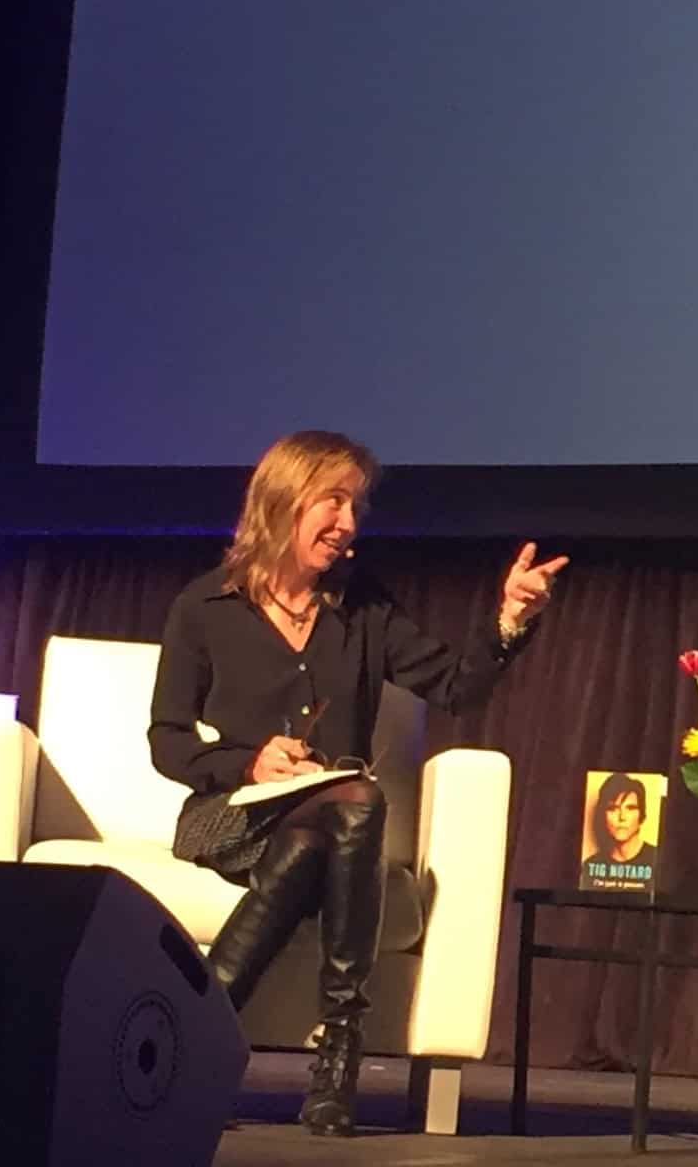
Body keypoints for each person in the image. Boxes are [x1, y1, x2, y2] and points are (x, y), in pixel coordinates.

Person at [148, 430, 567, 1137]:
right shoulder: (204, 607)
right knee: (358, 801)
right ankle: (338, 1057)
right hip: (236, 813)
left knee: (340, 811)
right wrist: (248, 764)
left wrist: (509, 621)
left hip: (330, 825)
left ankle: (202, 1039)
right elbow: (168, 741)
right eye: (332, 501)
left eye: (354, 506)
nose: (347, 522)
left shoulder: (363, 607)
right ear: (282, 502)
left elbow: (454, 686)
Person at [579, 772, 658, 890]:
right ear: (603, 815)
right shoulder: (589, 867)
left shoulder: (658, 860)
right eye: (613, 808)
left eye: (630, 808)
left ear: (641, 815)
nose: (622, 817)